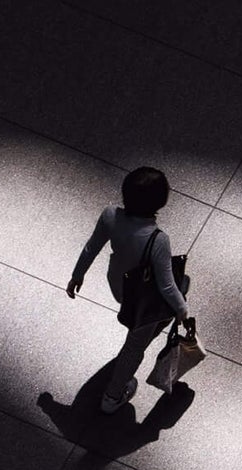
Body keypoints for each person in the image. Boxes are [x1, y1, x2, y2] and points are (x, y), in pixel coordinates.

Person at [67, 165, 189, 413]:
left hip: (120, 285)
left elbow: (92, 247)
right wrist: (182, 310)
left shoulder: (110, 215)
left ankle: (148, 330)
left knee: (182, 284)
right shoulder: (158, 239)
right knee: (134, 347)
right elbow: (166, 285)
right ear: (160, 202)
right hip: (141, 303)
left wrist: (76, 276)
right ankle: (112, 398)